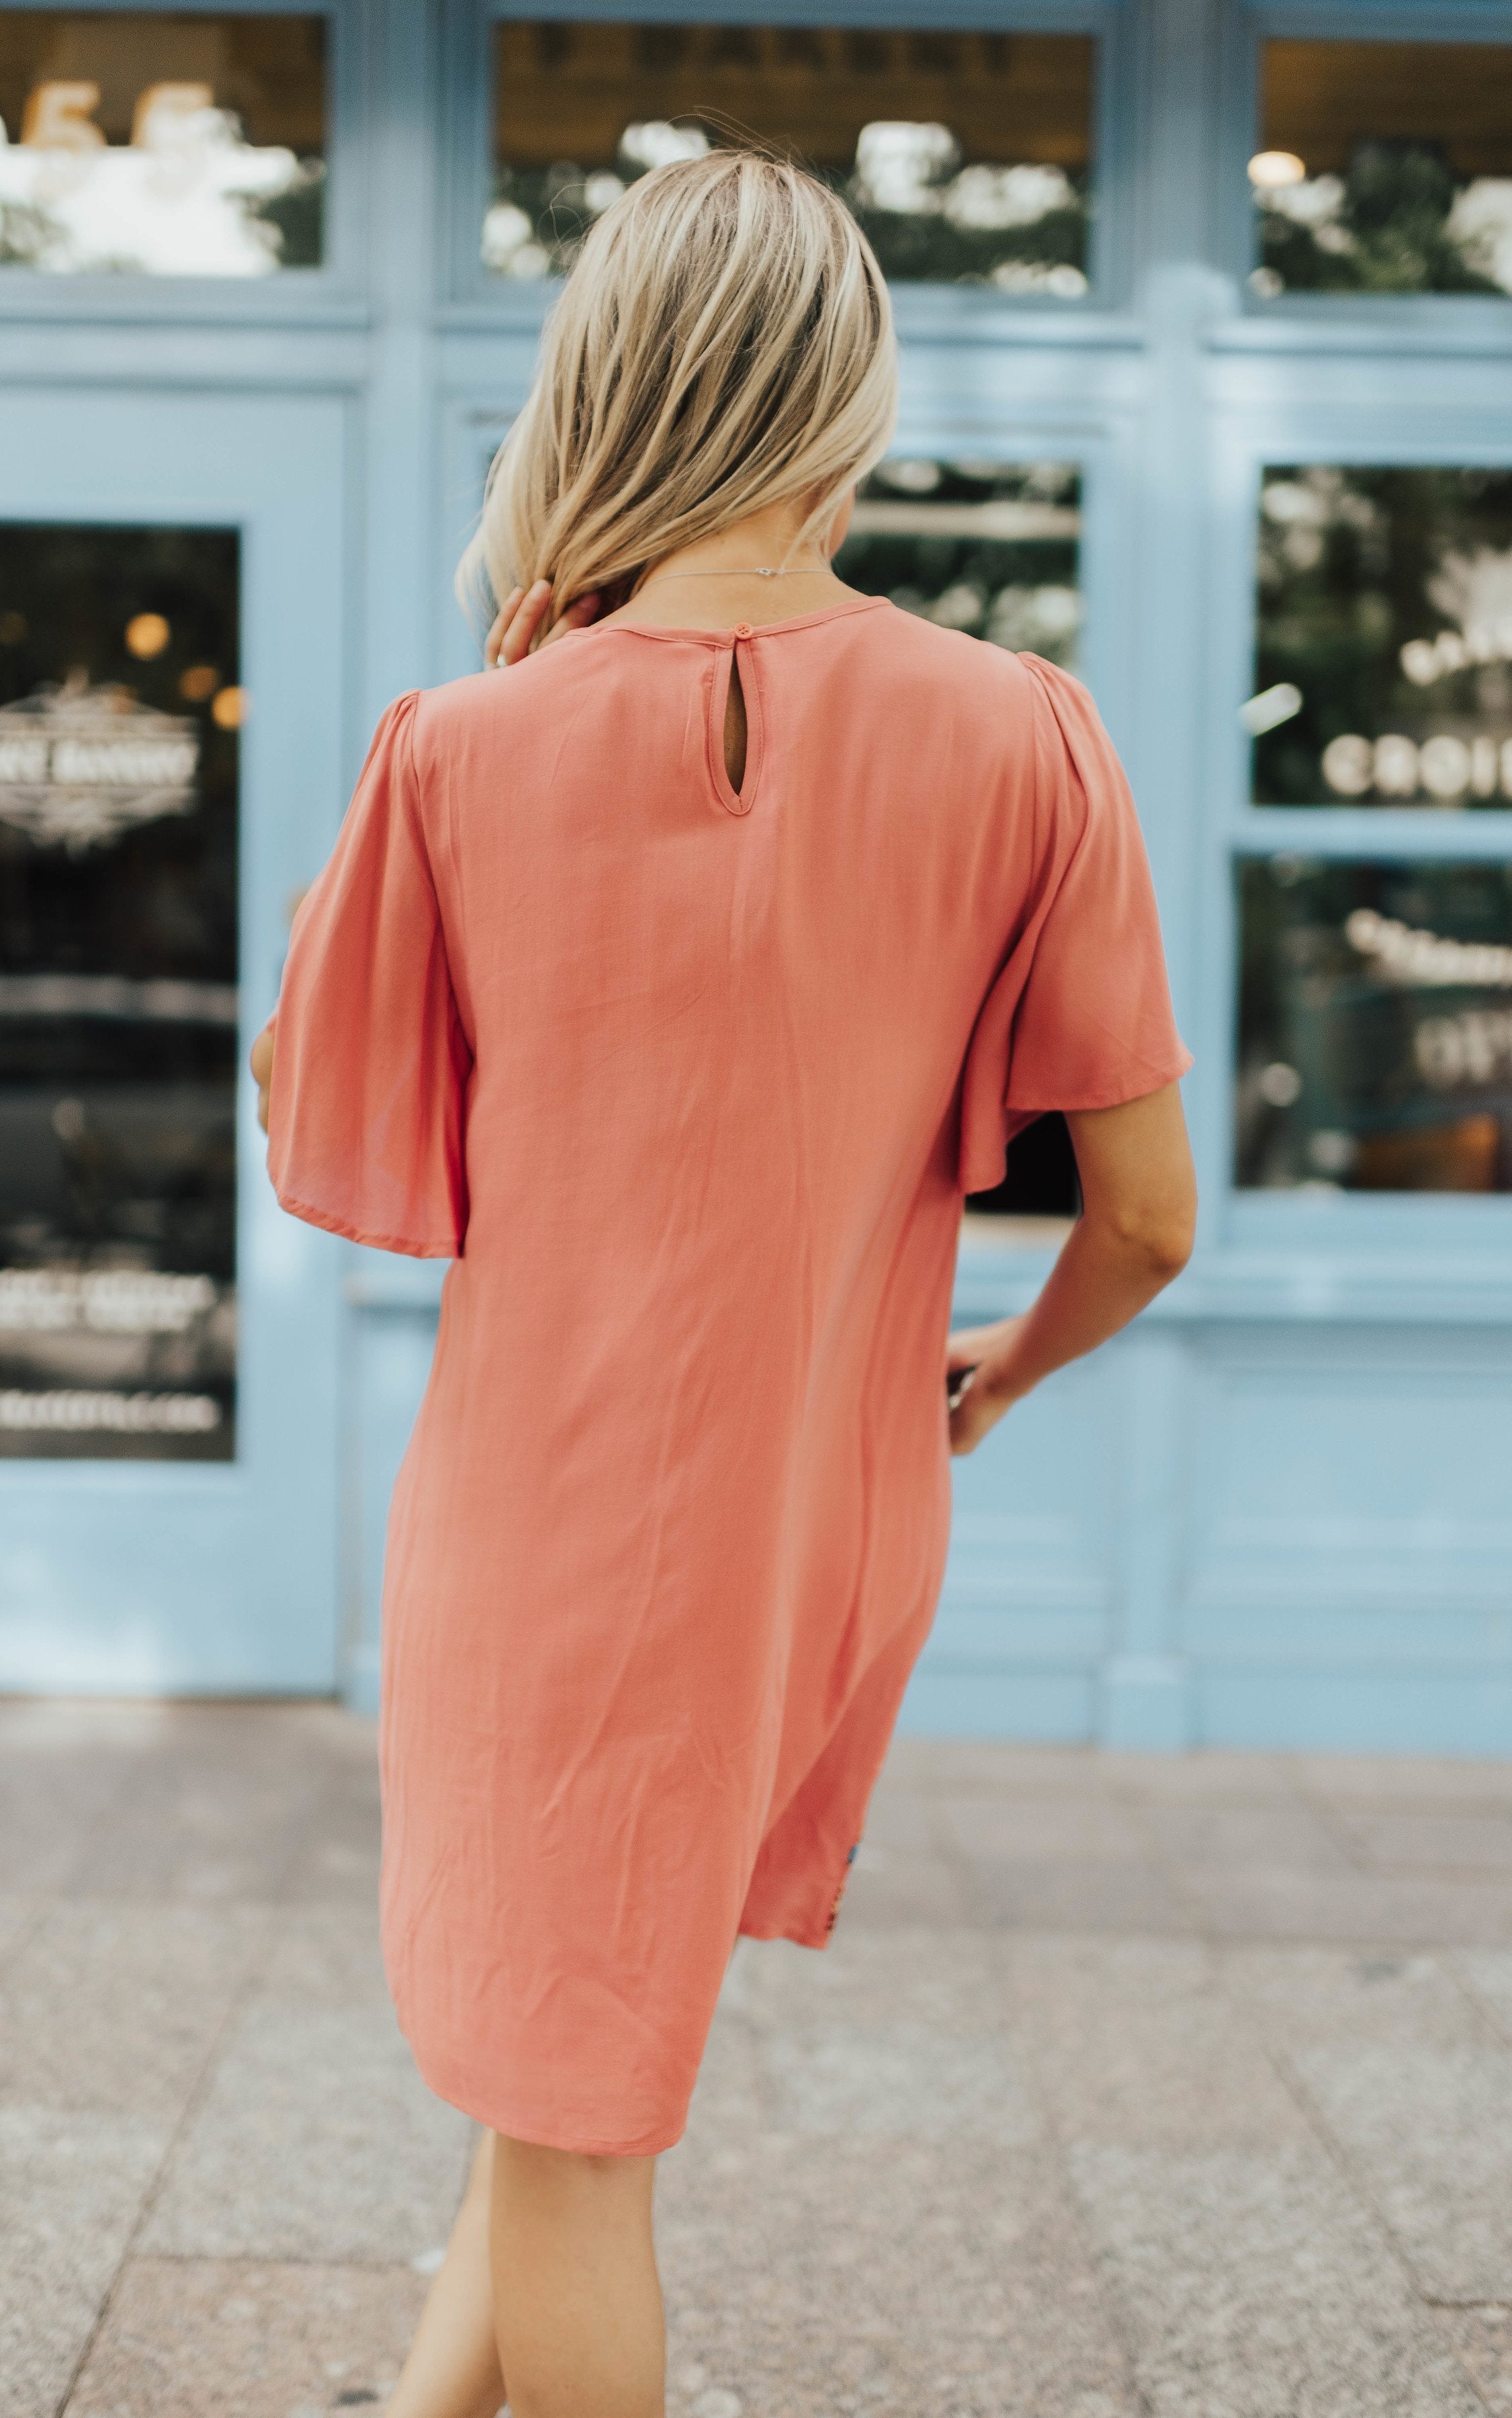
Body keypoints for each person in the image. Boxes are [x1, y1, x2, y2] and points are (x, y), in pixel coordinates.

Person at [249, 149, 1195, 2418]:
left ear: (598, 392)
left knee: (573, 2132)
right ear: (849, 399)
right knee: (548, 2078)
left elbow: (309, 1105)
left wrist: (493, 713)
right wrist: (990, 1377)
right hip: (819, 1522)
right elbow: (1148, 1218)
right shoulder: (1025, 731)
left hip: (550, 1539)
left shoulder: (463, 745)